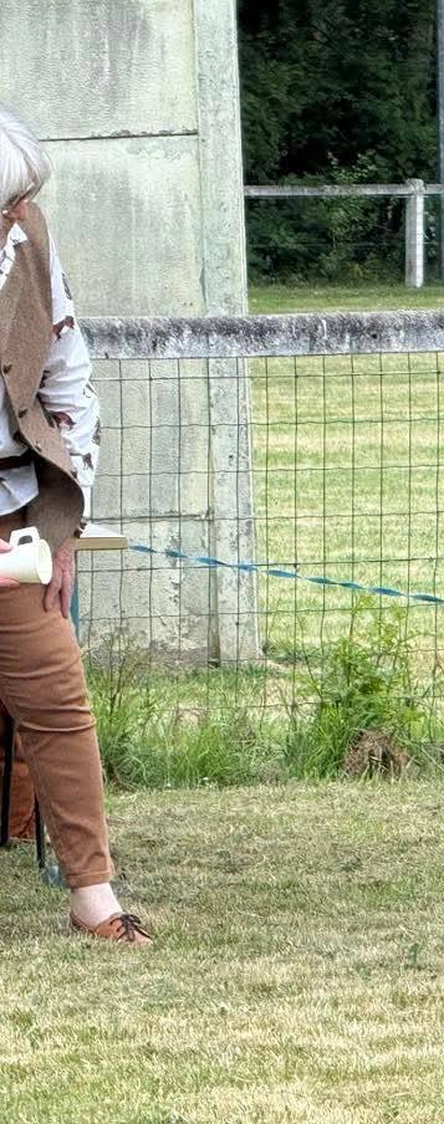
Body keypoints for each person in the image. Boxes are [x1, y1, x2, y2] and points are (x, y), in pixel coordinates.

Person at [0, 105, 150, 945]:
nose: (18, 218)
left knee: (56, 699)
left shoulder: (29, 239)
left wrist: (59, 523)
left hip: (16, 512)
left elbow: (69, 376)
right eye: (3, 206)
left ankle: (93, 893)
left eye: (22, 200)